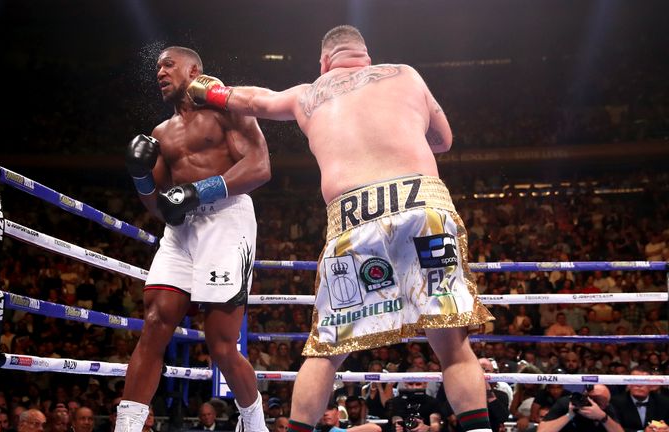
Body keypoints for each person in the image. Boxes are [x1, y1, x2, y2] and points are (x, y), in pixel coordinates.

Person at [186, 25, 493, 432]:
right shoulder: (405, 74)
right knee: (453, 347)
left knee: (327, 350)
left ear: (324, 61)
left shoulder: (306, 94)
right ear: (365, 55)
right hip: (424, 207)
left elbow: (253, 100)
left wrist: (207, 89)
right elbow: (444, 140)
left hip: (353, 216)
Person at [115, 45, 271, 432]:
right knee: (154, 321)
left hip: (226, 219)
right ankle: (127, 425)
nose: (160, 72)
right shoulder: (160, 133)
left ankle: (253, 421)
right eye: (157, 68)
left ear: (194, 69)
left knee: (220, 344)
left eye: (169, 64)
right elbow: (160, 207)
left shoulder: (227, 107)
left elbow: (260, 167)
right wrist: (140, 175)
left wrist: (201, 191)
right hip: (182, 230)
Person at [537, 384, 622, 432]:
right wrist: (569, 415)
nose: (593, 404)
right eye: (590, 398)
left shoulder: (607, 409)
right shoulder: (567, 403)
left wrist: (603, 417)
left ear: (606, 404)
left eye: (598, 401)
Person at [610, 367, 669, 432]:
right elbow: (613, 428)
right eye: (635, 380)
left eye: (644, 381)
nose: (639, 385)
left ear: (651, 385)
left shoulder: (663, 402)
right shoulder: (616, 402)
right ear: (629, 384)